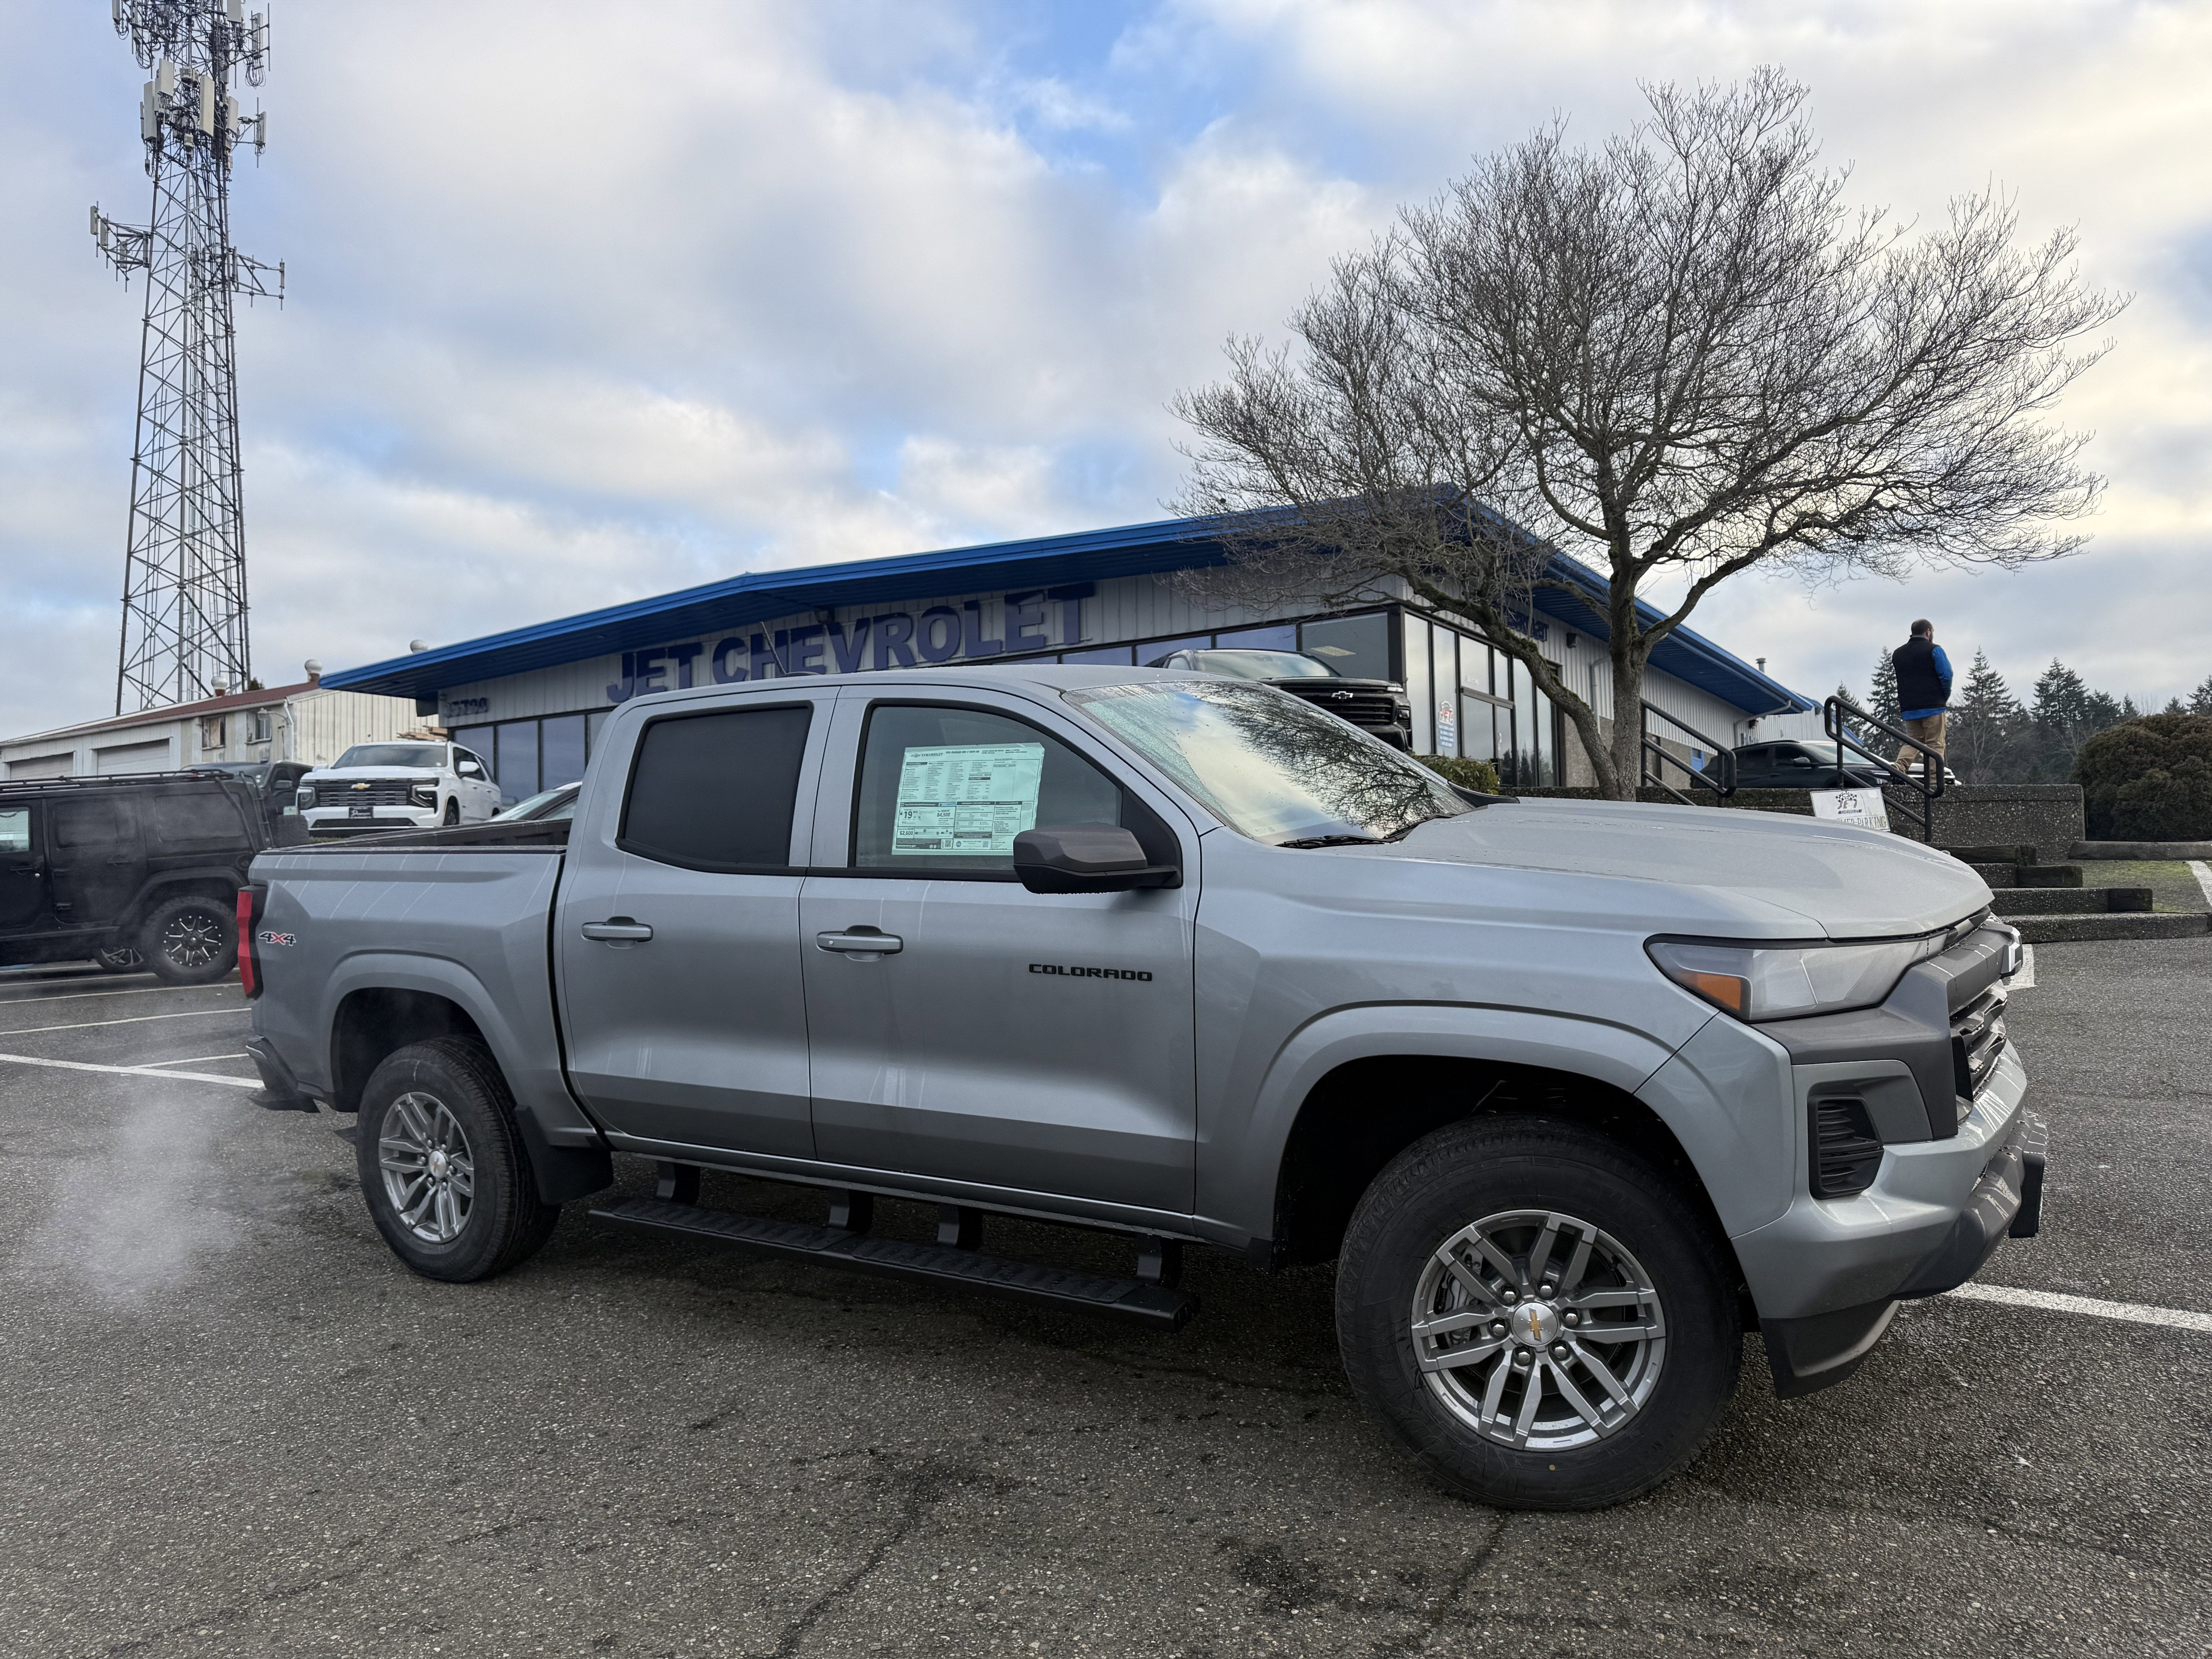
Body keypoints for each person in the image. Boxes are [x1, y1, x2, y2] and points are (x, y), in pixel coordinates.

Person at [1891, 619, 1952, 777]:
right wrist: (1943, 696)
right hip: (1934, 707)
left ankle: (1899, 768)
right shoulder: (1935, 650)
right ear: (1928, 633)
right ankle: (1934, 781)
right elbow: (1947, 675)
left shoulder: (1898, 654)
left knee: (1913, 742)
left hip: (1910, 709)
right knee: (1935, 745)